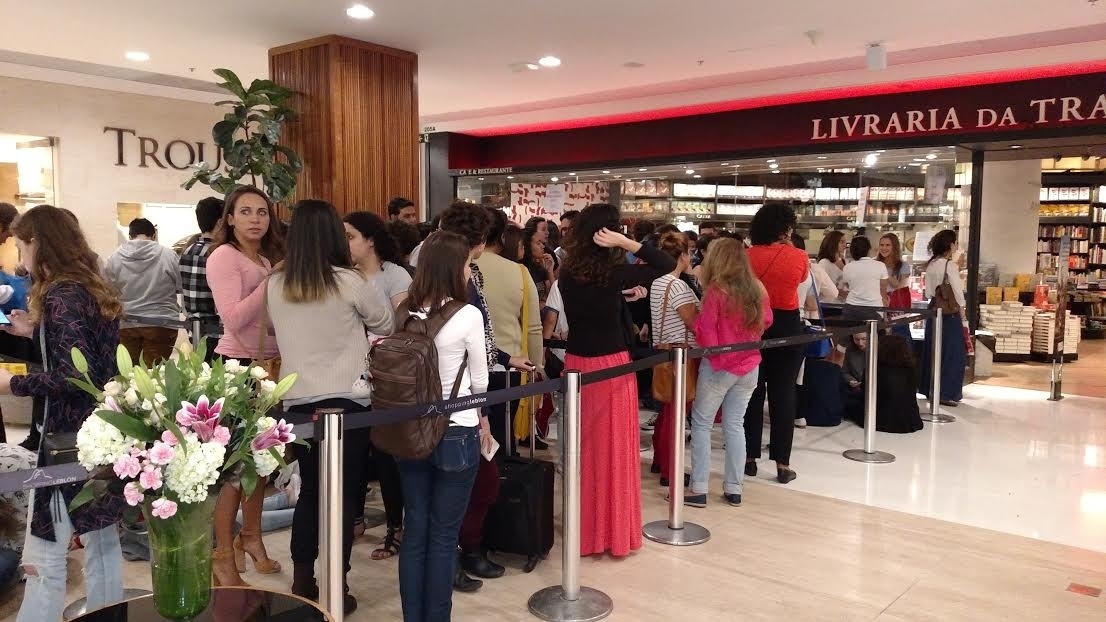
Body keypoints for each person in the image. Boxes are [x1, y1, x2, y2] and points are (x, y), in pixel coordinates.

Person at [268, 200, 394, 614]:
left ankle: (304, 578)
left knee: (310, 492)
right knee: (343, 494)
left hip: (298, 405)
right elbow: (386, 324)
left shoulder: (276, 282)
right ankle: (337, 584)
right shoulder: (348, 280)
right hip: (348, 403)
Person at [0, 205, 124, 622]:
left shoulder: (62, 295)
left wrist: (10, 384)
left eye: (21, 245)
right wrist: (35, 334)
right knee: (102, 544)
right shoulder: (85, 288)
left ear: (37, 241)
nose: (20, 257)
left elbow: (72, 377)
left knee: (44, 555)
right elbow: (84, 361)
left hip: (65, 441)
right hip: (97, 434)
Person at [559, 203, 676, 557]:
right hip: (611, 365)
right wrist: (629, 244)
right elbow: (668, 265)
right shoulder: (613, 274)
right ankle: (612, 532)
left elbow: (589, 307)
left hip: (577, 363)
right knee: (614, 448)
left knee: (584, 449)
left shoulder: (567, 272)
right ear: (608, 233)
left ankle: (586, 531)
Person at [394, 231, 489, 622]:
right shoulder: (467, 314)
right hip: (456, 427)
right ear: (454, 268)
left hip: (407, 429)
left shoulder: (402, 307)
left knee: (415, 531)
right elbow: (480, 381)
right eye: (467, 264)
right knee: (443, 536)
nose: (469, 272)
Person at [436, 201, 532, 590]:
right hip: (459, 396)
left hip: (473, 387)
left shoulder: (468, 272)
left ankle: (469, 549)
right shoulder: (446, 276)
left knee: (480, 478)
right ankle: (459, 554)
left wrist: (507, 358)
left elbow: (482, 338)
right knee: (469, 480)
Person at [206, 186, 284, 587]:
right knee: (235, 468)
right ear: (230, 218)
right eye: (246, 211)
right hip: (237, 368)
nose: (256, 219)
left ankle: (250, 537)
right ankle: (221, 553)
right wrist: (270, 285)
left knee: (263, 464)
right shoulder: (224, 257)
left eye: (263, 212)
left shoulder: (266, 259)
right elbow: (235, 319)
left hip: (271, 366)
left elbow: (267, 320)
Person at [467, 207, 542, 577]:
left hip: (481, 375)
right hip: (499, 376)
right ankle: (482, 537)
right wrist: (534, 365)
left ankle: (473, 540)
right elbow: (532, 327)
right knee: (492, 457)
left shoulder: (467, 273)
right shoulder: (513, 272)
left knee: (480, 461)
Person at [342, 211, 411, 556]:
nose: (346, 243)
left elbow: (403, 321)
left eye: (351, 236)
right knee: (353, 451)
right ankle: (354, 517)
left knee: (386, 454)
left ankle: (396, 526)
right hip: (350, 374)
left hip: (386, 376)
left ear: (370, 239)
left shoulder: (393, 275)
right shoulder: (342, 276)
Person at [685, 238, 772, 507]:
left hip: (719, 366)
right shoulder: (757, 287)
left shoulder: (716, 290)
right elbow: (767, 320)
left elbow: (707, 335)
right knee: (735, 425)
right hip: (750, 365)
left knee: (702, 423)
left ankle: (698, 487)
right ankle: (735, 487)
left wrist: (694, 322)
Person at [743, 203, 808, 485]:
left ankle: (749, 458)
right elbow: (801, 280)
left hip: (753, 323)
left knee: (752, 391)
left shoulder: (746, 256)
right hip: (788, 325)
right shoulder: (799, 256)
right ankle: (783, 463)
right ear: (786, 228)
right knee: (784, 394)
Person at [648, 232, 699, 487]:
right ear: (681, 256)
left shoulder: (658, 283)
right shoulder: (678, 286)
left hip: (662, 351)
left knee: (666, 411)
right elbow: (693, 322)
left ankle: (660, 459)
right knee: (675, 414)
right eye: (689, 252)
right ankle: (670, 468)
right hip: (681, 354)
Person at [104, 218, 182, 365]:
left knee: (129, 376)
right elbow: (180, 285)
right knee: (156, 377)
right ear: (153, 235)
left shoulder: (114, 258)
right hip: (162, 323)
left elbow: (108, 289)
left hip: (127, 323)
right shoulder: (168, 255)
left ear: (130, 236)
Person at [918, 229, 967, 407]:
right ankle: (946, 392)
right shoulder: (949, 266)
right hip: (949, 311)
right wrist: (962, 311)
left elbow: (929, 291)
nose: (956, 246)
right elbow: (957, 291)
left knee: (933, 349)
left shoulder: (931, 265)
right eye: (955, 243)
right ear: (950, 245)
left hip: (934, 308)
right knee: (953, 353)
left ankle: (929, 388)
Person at [180, 197, 225, 352]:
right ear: (220, 222)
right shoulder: (219, 252)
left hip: (194, 328)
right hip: (217, 329)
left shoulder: (188, 249)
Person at [840, 236, 889, 321]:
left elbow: (848, 285)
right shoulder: (880, 265)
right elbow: (883, 289)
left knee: (853, 333)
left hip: (851, 307)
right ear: (868, 249)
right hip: (874, 307)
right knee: (872, 333)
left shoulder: (848, 267)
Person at [522, 224, 554, 305]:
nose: (543, 246)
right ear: (527, 246)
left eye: (542, 243)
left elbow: (554, 295)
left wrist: (550, 271)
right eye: (538, 243)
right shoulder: (521, 269)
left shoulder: (540, 268)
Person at [816, 230, 847, 297]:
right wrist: (839, 292)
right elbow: (821, 284)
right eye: (842, 242)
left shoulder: (843, 261)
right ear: (833, 243)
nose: (845, 245)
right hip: (829, 302)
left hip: (842, 302)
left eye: (845, 242)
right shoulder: (824, 262)